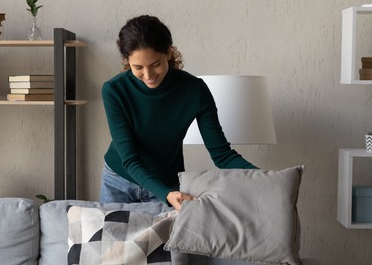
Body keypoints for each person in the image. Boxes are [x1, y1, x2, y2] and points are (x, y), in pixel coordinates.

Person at [100, 15, 257, 210]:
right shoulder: (114, 90)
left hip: (167, 185)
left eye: (155, 64)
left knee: (166, 242)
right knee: (110, 241)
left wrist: (266, 178)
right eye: (138, 67)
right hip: (118, 181)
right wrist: (166, 194)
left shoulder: (195, 90)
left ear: (168, 52)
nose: (148, 76)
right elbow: (131, 160)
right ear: (127, 61)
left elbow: (222, 154)